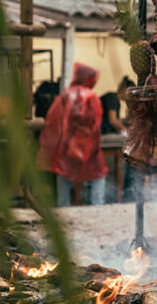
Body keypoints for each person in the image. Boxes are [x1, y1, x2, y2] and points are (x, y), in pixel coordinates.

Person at [37, 63, 108, 206]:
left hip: (65, 148)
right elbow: (92, 125)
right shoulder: (90, 96)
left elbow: (53, 121)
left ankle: (63, 217)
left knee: (64, 183)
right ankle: (98, 209)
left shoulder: (65, 94)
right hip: (85, 148)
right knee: (97, 178)